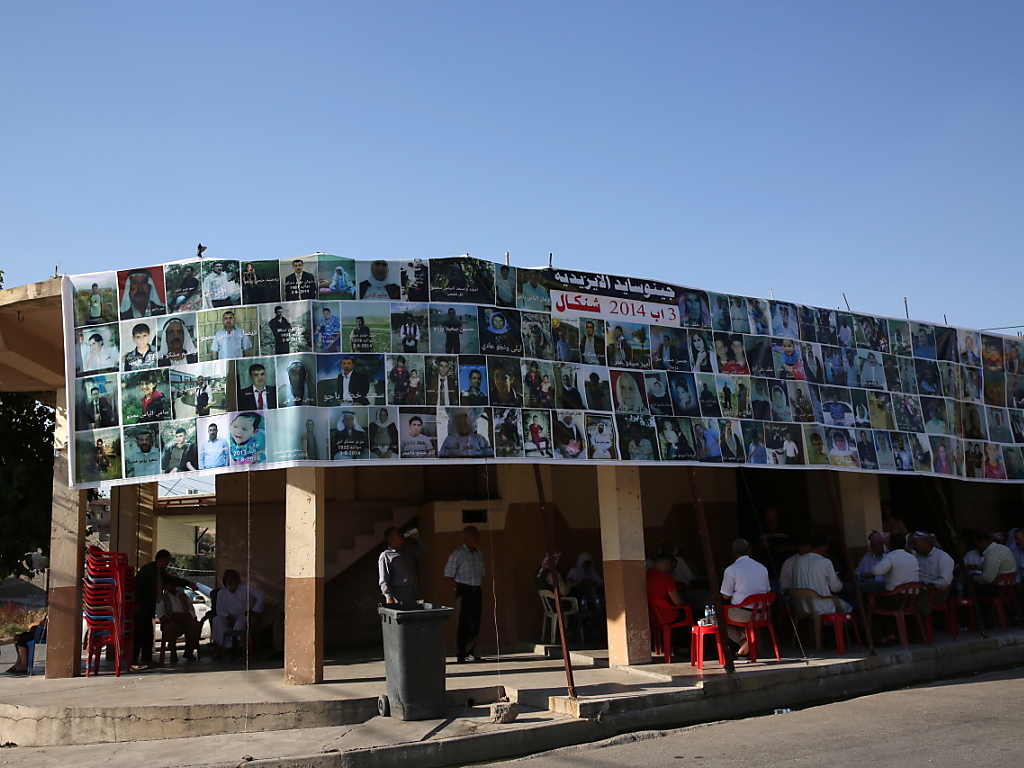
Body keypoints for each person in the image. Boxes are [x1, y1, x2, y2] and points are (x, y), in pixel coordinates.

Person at [133, 550, 195, 669]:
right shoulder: (148, 570)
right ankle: (134, 659)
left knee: (148, 633)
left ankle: (147, 658)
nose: (167, 563)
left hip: (149, 605)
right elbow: (137, 585)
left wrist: (187, 583)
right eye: (167, 561)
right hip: (142, 606)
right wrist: (138, 602)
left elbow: (171, 580)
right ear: (162, 559)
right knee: (139, 633)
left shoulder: (160, 572)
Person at [720, 538, 771, 657]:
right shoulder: (761, 567)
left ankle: (744, 643)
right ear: (749, 551)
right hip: (763, 613)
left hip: (745, 614)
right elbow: (768, 591)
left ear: (733, 552)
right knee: (741, 615)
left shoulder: (731, 569)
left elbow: (726, 596)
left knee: (718, 618)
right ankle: (746, 641)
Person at [870, 532, 920, 644]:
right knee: (883, 601)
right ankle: (891, 634)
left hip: (896, 600)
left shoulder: (891, 557)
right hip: (912, 599)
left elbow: (876, 571)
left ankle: (881, 637)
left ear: (889, 545)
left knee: (870, 603)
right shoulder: (912, 557)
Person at [445, 526, 486, 662]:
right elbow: (449, 574)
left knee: (475, 622)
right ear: (467, 537)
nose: (476, 539)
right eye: (474, 535)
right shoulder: (457, 554)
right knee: (463, 622)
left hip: (476, 589)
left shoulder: (478, 553)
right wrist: (460, 585)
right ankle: (461, 653)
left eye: (477, 535)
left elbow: (482, 572)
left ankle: (471, 651)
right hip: (464, 590)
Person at [210, 569, 266, 659]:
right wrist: (228, 617)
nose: (230, 581)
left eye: (232, 579)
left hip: (245, 616)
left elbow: (261, 596)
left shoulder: (246, 589)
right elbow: (219, 610)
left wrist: (254, 611)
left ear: (236, 579)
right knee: (217, 620)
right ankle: (222, 648)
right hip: (229, 617)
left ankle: (238, 647)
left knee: (239, 623)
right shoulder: (221, 593)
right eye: (227, 579)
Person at [792, 535, 851, 614]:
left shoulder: (797, 561)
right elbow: (836, 587)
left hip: (801, 606)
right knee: (848, 607)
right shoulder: (825, 562)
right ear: (824, 547)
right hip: (822, 606)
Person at [909, 532, 954, 618]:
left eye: (915, 542)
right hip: (918, 588)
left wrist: (925, 587)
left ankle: (919, 624)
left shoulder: (942, 557)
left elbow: (944, 582)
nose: (913, 546)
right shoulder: (916, 557)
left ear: (926, 543)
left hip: (936, 592)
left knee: (918, 596)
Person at [378, 527, 426, 603]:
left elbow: (422, 550)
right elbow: (384, 579)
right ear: (392, 539)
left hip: (414, 589)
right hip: (400, 592)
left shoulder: (406, 551)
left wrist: (418, 538)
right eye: (397, 533)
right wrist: (389, 596)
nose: (401, 535)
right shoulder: (386, 555)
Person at [157, 583, 201, 663]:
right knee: (171, 628)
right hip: (171, 619)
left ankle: (189, 651)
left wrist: (189, 616)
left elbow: (191, 610)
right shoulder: (162, 598)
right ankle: (173, 653)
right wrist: (169, 618)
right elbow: (161, 613)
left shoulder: (183, 596)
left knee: (196, 626)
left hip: (185, 618)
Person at [968, 531, 1017, 599]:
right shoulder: (1003, 548)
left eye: (977, 545)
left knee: (969, 590)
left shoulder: (991, 555)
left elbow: (987, 579)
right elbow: (993, 566)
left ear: (983, 543)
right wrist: (975, 567)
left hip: (998, 589)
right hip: (1009, 587)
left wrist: (972, 577)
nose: (977, 548)